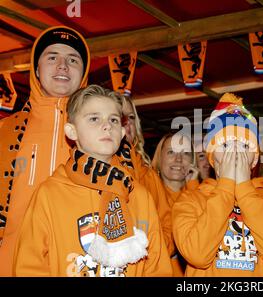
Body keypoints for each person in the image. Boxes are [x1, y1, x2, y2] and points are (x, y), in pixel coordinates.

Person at [13, 85, 172, 277]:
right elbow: (29, 267)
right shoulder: (50, 193)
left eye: (113, 119)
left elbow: (157, 268)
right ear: (72, 132)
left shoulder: (139, 195)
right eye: (94, 118)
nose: (107, 126)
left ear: (122, 133)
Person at [172, 93, 263, 276]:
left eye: (244, 146)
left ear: (254, 159)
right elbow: (197, 255)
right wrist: (225, 188)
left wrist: (245, 191)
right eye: (225, 146)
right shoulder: (190, 199)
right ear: (212, 157)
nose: (235, 152)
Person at [0, 26, 90, 276]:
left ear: (83, 73)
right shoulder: (4, 131)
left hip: (77, 266)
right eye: (52, 57)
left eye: (73, 59)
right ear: (37, 69)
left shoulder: (103, 136)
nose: (63, 66)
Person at [120, 95, 174, 274]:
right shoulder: (96, 172)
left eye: (131, 117)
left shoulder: (150, 176)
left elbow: (167, 225)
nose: (127, 122)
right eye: (120, 117)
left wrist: (153, 250)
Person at [152, 132, 199, 276]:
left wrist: (193, 187)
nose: (178, 159)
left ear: (192, 160)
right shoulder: (148, 194)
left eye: (185, 153)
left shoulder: (203, 194)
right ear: (159, 158)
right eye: (171, 152)